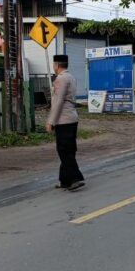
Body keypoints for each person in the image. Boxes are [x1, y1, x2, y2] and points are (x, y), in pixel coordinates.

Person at [46, 54, 85, 192]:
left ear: (56, 65)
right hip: (72, 118)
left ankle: (76, 178)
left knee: (64, 150)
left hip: (63, 120)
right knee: (69, 149)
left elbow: (57, 102)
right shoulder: (71, 77)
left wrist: (51, 121)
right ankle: (65, 180)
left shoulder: (61, 79)